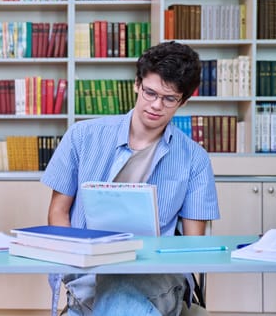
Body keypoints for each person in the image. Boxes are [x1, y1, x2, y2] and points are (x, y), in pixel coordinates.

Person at [41, 41, 220, 316]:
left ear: (184, 101)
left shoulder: (194, 158)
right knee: (117, 298)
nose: (156, 105)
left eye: (169, 99)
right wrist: (76, 261)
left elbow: (191, 248)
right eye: (150, 92)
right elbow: (58, 213)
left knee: (120, 294)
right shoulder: (82, 136)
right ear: (137, 84)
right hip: (90, 271)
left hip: (157, 275)